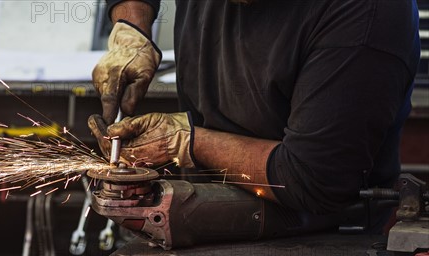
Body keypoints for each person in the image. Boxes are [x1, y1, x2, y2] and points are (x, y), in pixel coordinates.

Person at [88, 0, 420, 232]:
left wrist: (186, 141)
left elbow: (314, 179)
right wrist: (131, 28)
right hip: (204, 210)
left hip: (319, 244)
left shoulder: (367, 12)